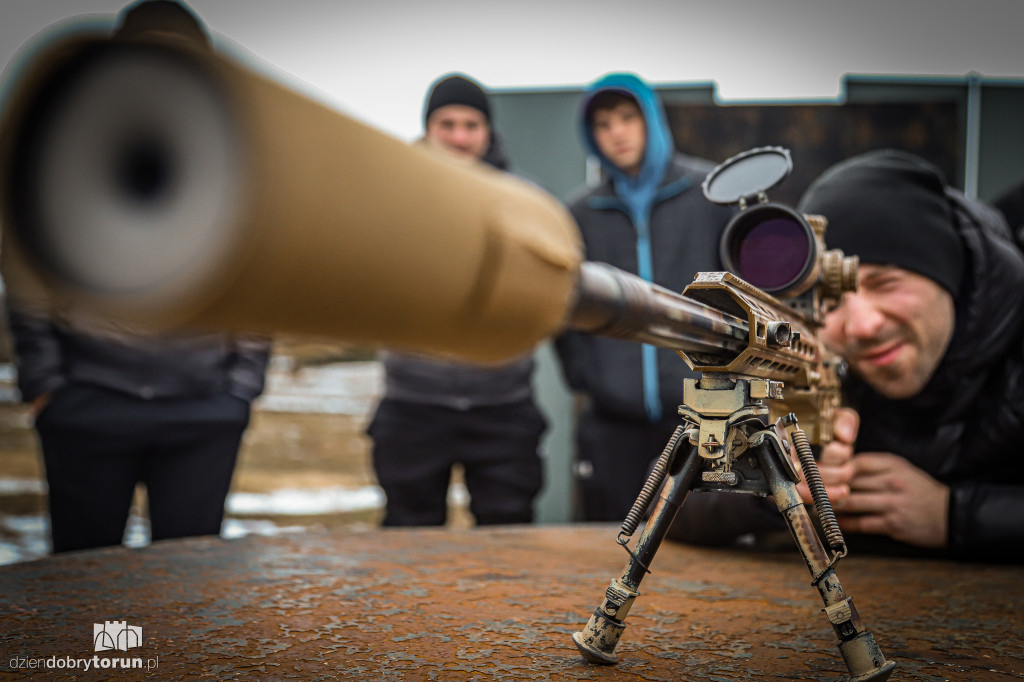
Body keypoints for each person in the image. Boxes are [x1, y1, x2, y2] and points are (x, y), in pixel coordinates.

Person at [1, 0, 271, 553]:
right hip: (89, 405)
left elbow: (260, 275)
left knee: (190, 578)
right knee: (84, 580)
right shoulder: (70, 149)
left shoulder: (239, 161)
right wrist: (46, 386)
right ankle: (102, 648)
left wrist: (239, 391)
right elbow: (27, 270)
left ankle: (174, 648)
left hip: (203, 411)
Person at [675, 149, 1024, 563]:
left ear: (949, 274)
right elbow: (666, 492)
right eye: (831, 301)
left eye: (884, 283)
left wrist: (955, 515)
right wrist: (766, 483)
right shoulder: (806, 353)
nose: (861, 326)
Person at [554, 73, 735, 521]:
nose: (617, 132)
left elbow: (739, 292)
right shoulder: (579, 213)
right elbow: (563, 304)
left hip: (699, 414)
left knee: (704, 546)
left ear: (651, 119)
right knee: (610, 543)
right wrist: (588, 377)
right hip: (613, 422)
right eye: (603, 124)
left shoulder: (710, 192)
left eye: (627, 117)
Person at [367, 73, 546, 527]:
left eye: (471, 124)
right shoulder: (391, 199)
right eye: (447, 124)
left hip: (503, 405)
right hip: (413, 405)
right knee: (409, 540)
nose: (460, 137)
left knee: (508, 538)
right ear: (428, 129)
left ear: (489, 132)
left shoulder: (524, 201)